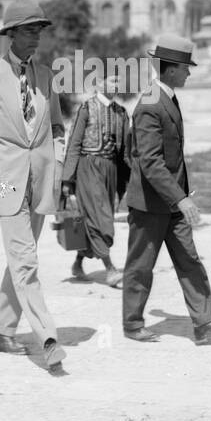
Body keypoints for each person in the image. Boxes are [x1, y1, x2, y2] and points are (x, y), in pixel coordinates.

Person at [0, 0, 69, 372]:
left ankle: (2, 330)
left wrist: (57, 166)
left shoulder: (45, 77)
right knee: (26, 261)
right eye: (28, 30)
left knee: (20, 259)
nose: (36, 37)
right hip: (6, 183)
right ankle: (48, 338)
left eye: (39, 29)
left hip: (39, 182)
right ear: (10, 34)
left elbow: (56, 126)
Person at [121, 34, 211, 345]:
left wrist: (180, 196)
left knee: (190, 260)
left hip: (172, 202)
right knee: (141, 266)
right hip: (150, 203)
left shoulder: (168, 97)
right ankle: (132, 324)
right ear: (171, 69)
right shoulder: (149, 103)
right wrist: (181, 198)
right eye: (186, 68)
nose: (189, 73)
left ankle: (205, 323)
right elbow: (150, 162)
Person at [61, 74, 131, 286]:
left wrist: (133, 177)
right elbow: (74, 142)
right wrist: (67, 178)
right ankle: (110, 269)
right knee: (101, 219)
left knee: (96, 217)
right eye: (112, 80)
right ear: (100, 84)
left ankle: (78, 262)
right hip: (87, 167)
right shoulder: (86, 108)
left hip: (110, 171)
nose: (116, 85)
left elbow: (126, 151)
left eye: (119, 81)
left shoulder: (122, 113)